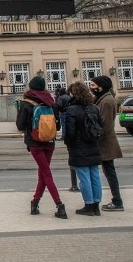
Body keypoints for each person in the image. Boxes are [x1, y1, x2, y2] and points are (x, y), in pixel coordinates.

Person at [16, 76, 67, 219]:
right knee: (43, 174)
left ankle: (59, 205)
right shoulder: (51, 102)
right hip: (50, 142)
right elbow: (58, 126)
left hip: (35, 143)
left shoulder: (26, 104)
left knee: (46, 174)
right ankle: (35, 202)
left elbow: (20, 126)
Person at [63, 81, 103, 216]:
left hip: (79, 148)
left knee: (84, 177)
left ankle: (88, 205)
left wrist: (68, 143)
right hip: (94, 145)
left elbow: (70, 132)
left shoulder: (71, 110)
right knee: (95, 175)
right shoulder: (94, 107)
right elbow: (100, 126)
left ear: (74, 94)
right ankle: (96, 206)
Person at [89, 75, 124, 211]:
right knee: (109, 171)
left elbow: (105, 125)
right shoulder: (103, 99)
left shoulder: (106, 101)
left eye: (93, 85)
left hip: (106, 144)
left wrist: (93, 135)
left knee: (110, 172)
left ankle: (117, 201)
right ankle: (116, 200)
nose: (91, 88)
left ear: (101, 86)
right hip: (105, 143)